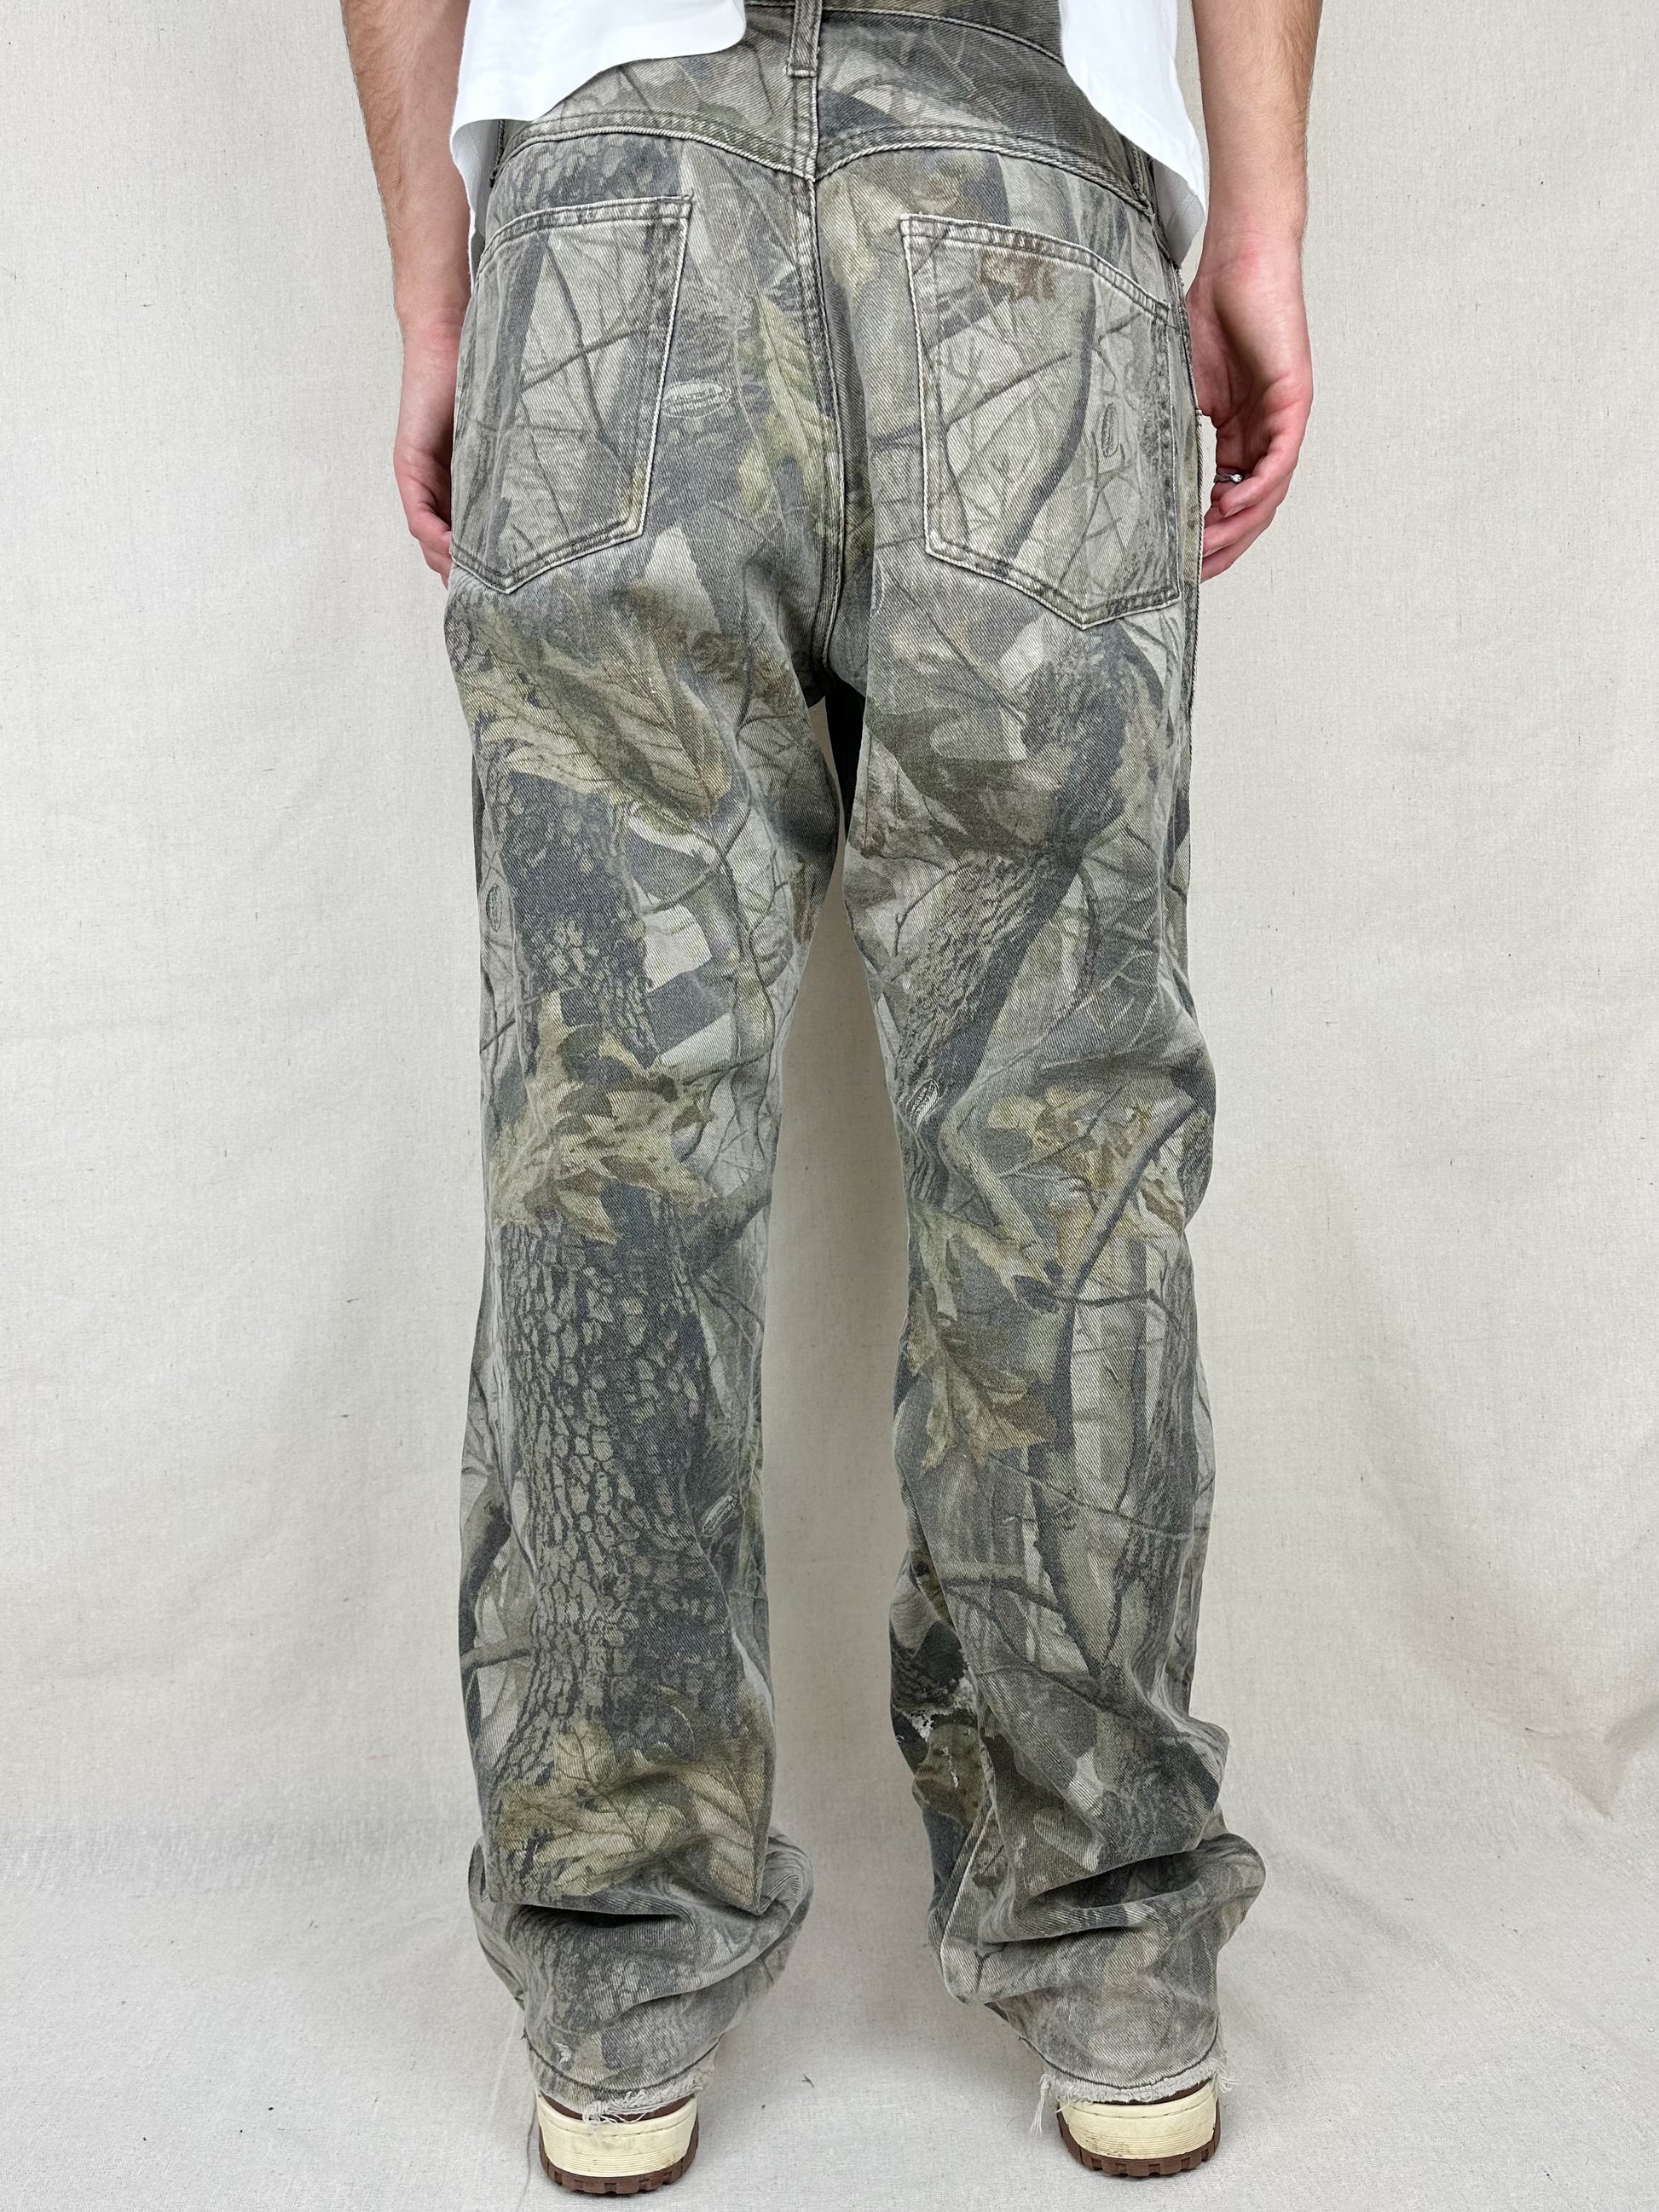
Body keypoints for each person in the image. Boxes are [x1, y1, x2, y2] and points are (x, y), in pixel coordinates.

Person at [343, 0, 1317, 2186]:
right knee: (1060, 1132)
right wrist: (1254, 225)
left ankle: (617, 1983)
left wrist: (439, 277)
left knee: (609, 1126)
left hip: (613, 189)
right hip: (1023, 181)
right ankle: (1112, 1950)